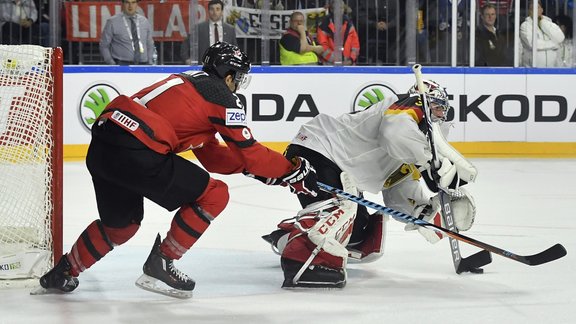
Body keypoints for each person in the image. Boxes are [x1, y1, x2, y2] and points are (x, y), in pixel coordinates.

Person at [36, 42, 319, 298]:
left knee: (120, 227)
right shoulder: (222, 97)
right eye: (239, 78)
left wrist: (257, 169)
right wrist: (290, 170)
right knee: (215, 195)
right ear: (229, 75)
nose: (239, 85)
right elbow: (251, 153)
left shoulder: (186, 82)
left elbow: (212, 158)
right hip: (138, 150)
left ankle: (62, 273)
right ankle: (162, 262)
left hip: (103, 147)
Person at [256, 80, 478, 288]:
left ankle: (289, 237)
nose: (441, 114)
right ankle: (303, 262)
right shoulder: (407, 107)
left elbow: (398, 186)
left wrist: (425, 211)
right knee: (338, 215)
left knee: (356, 236)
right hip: (318, 150)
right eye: (437, 107)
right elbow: (395, 132)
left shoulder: (413, 142)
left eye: (442, 109)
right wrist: (428, 159)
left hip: (338, 165)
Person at [181, 0, 237, 65]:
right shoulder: (199, 28)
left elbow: (235, 49)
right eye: (212, 9)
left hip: (224, 67)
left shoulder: (230, 29)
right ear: (208, 11)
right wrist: (187, 60)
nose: (214, 12)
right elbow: (185, 46)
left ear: (222, 12)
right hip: (204, 66)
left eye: (217, 9)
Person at [99, 0, 155, 65]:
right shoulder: (112, 22)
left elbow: (150, 44)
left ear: (137, 4)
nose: (130, 6)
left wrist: (150, 61)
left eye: (133, 2)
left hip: (143, 64)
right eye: (127, 2)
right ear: (122, 4)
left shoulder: (145, 21)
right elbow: (104, 45)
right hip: (121, 64)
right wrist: (111, 63)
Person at [520, 0, 565, 67]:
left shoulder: (551, 24)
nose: (535, 10)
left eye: (537, 7)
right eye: (532, 8)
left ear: (542, 10)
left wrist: (543, 22)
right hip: (532, 70)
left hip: (552, 69)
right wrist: (554, 44)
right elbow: (533, 44)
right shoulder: (525, 25)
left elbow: (560, 38)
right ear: (529, 12)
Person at [316, 0, 360, 65]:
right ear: (331, 9)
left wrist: (351, 60)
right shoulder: (324, 25)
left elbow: (355, 46)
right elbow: (323, 47)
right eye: (337, 8)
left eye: (341, 8)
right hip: (329, 65)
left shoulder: (349, 24)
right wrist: (336, 60)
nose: (339, 10)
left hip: (348, 64)